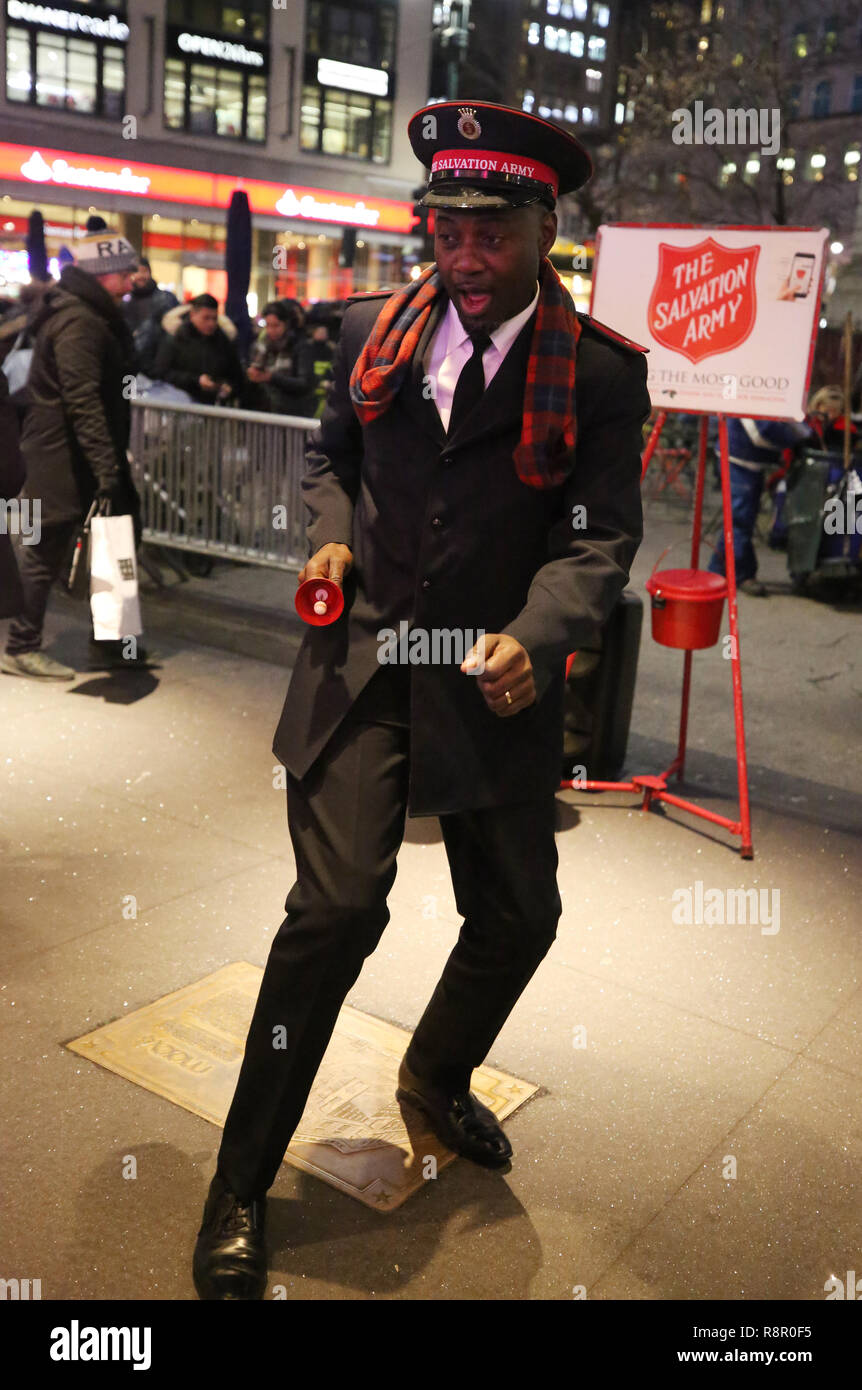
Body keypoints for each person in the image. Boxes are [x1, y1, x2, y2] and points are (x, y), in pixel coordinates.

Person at [192, 99, 651, 1300]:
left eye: (490, 230)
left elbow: (597, 541)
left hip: (488, 682)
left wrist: (537, 636)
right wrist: (329, 538)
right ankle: (238, 1182)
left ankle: (434, 1078)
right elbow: (330, 457)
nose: (464, 253)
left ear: (544, 226)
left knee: (520, 917)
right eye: (446, 228)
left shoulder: (600, 376)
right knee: (334, 915)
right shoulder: (369, 332)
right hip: (365, 672)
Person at [0, 232, 155, 680]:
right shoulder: (80, 320)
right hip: (55, 461)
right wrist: (107, 467)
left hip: (67, 456)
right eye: (127, 272)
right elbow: (81, 398)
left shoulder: (84, 313)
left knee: (112, 546)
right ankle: (21, 646)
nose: (133, 279)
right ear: (104, 274)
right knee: (41, 552)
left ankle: (111, 643)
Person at [707, 415, 813, 595]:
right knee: (739, 521)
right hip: (740, 458)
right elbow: (760, 432)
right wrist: (797, 439)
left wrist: (803, 433)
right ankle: (740, 574)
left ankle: (717, 572)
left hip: (746, 459)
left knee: (739, 519)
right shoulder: (752, 398)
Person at [151, 293, 244, 405]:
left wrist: (227, 386)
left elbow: (236, 375)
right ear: (193, 315)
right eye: (206, 318)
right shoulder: (176, 339)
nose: (211, 323)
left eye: (214, 318)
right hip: (180, 404)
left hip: (214, 405)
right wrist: (195, 380)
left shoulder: (224, 342)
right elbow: (161, 372)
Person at [245, 300, 315, 415]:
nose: (271, 330)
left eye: (276, 325)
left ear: (286, 324)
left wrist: (271, 378)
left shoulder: (300, 346)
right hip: (264, 412)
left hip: (292, 413)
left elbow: (304, 384)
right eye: (268, 325)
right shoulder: (260, 346)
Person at [121, 258, 179, 377]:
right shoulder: (123, 301)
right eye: (136, 271)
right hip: (129, 368)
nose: (140, 275)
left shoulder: (166, 299)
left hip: (159, 369)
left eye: (144, 271)